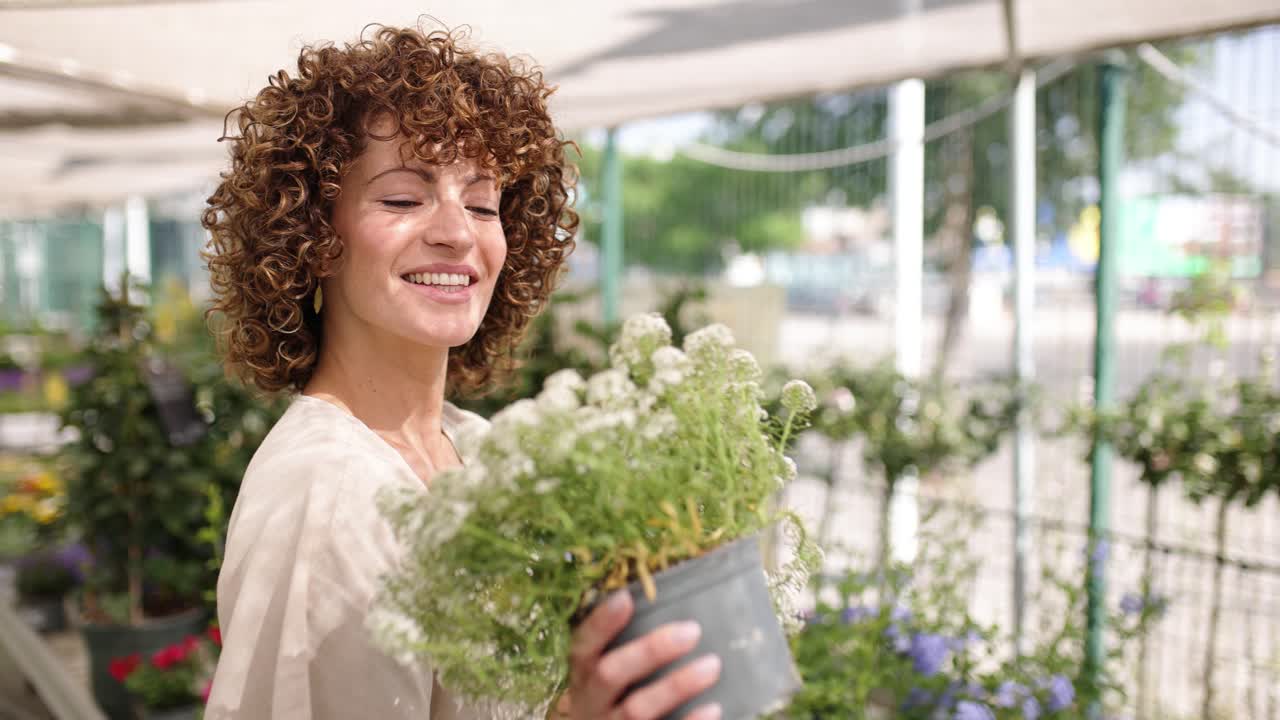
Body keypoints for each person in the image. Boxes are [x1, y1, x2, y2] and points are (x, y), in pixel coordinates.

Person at [201, 24, 722, 720]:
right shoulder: (325, 496)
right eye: (401, 198)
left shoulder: (470, 445)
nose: (458, 231)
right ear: (314, 237)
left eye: (481, 202)